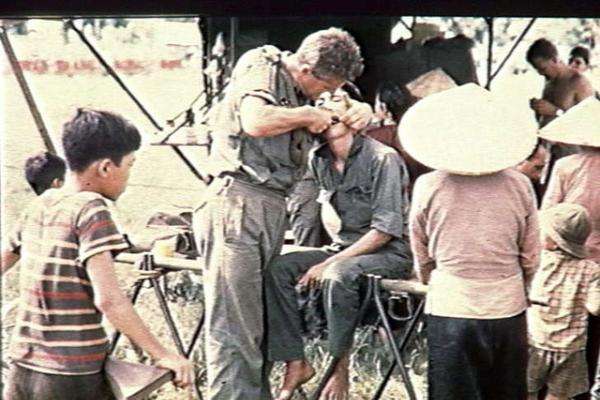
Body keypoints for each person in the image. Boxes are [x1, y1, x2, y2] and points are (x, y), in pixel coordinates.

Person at [193, 28, 372, 400]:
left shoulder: (304, 90)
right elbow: (255, 121)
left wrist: (357, 111)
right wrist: (308, 114)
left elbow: (338, 119)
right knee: (233, 329)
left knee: (253, 326)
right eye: (325, 88)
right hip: (237, 203)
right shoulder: (262, 66)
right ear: (307, 69)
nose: (325, 96)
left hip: (271, 206)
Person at [1, 109, 193, 400]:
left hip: (23, 367)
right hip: (71, 373)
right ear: (105, 168)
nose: (128, 178)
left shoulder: (40, 204)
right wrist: (164, 354)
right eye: (129, 166)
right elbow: (109, 300)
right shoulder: (91, 209)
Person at [265, 89, 412, 400]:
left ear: (354, 115)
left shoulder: (383, 158)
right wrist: (323, 254)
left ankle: (339, 370)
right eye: (319, 104)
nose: (324, 107)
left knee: (336, 275)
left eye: (334, 101)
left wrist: (328, 263)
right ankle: (296, 360)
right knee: (278, 268)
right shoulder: (319, 159)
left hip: (388, 253)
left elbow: (384, 232)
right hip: (344, 248)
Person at [405, 84, 540, 400]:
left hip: (452, 302)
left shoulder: (429, 185)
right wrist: (523, 285)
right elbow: (532, 254)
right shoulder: (520, 185)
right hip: (507, 305)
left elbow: (420, 250)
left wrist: (431, 278)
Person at [539, 97, 600, 400]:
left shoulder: (565, 166)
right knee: (588, 340)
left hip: (561, 261)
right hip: (597, 268)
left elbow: (547, 216)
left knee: (551, 331)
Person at [527, 203, 600, 400]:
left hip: (536, 341)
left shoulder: (538, 261)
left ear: (553, 242)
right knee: (559, 395)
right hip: (570, 348)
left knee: (527, 390)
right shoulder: (591, 270)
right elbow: (595, 307)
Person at [526, 38, 595, 167]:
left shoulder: (579, 82)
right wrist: (539, 110)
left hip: (573, 156)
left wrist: (555, 111)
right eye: (537, 70)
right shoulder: (549, 83)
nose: (541, 73)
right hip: (550, 154)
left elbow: (590, 122)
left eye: (543, 68)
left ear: (554, 60)